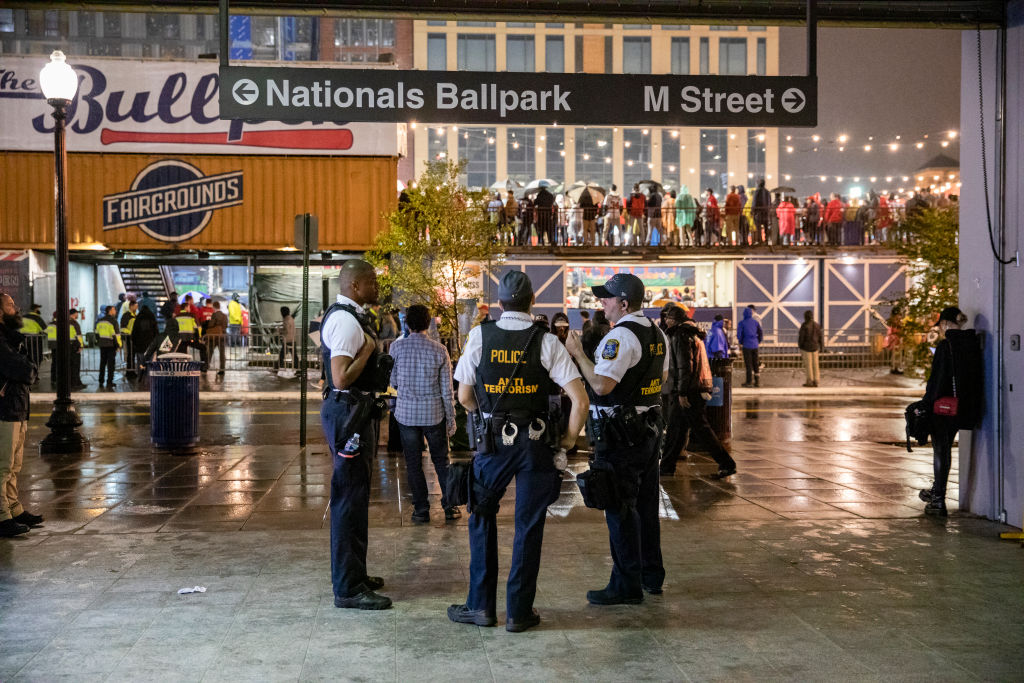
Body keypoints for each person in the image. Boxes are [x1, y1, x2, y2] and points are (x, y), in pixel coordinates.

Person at [449, 271, 588, 632]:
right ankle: (519, 613)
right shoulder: (546, 341)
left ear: (499, 303)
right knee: (529, 525)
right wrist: (570, 440)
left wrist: (487, 416)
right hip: (538, 444)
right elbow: (579, 399)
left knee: (481, 514)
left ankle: (480, 607)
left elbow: (464, 396)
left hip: (494, 443)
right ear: (532, 301)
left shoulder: (480, 335)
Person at [564, 273, 667, 604]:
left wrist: (578, 354)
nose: (601, 302)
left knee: (620, 506)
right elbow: (661, 377)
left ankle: (625, 585)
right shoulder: (656, 332)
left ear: (624, 303)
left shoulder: (620, 337)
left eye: (607, 298)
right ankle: (651, 575)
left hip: (621, 435)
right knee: (647, 504)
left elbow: (600, 386)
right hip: (648, 428)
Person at [320, 259, 392, 610]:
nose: (376, 287)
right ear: (355, 286)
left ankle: (356, 574)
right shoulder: (347, 322)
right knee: (349, 501)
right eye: (372, 282)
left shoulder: (353, 317)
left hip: (356, 416)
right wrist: (366, 352)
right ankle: (348, 588)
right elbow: (340, 378)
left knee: (357, 497)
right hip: (348, 416)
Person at [388, 304, 459, 525]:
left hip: (406, 416)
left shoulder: (396, 349)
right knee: (441, 461)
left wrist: (393, 405)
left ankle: (420, 509)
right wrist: (451, 418)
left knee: (413, 463)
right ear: (428, 323)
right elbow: (447, 390)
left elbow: (392, 383)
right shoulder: (440, 350)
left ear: (407, 324)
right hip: (434, 414)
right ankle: (449, 506)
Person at [659, 305, 737, 479]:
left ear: (675, 320)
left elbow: (685, 365)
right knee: (676, 431)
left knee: (699, 430)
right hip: (696, 388)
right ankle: (666, 467)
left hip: (689, 391)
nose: (666, 321)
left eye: (668, 318)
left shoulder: (680, 335)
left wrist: (682, 393)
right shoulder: (691, 333)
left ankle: (726, 463)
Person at [919, 306, 982, 516]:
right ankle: (936, 491)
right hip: (963, 407)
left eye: (941, 325)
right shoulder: (971, 343)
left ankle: (938, 499)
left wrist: (926, 404)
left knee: (941, 450)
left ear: (945, 324)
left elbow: (937, 381)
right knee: (945, 449)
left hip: (943, 408)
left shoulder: (946, 347)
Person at [0, 293, 42, 537]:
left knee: (14, 465)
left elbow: (29, 367)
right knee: (3, 466)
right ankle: (2, 515)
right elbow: (21, 368)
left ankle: (14, 508)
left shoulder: (11, 338)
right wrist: (28, 370)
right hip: (5, 409)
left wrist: (29, 370)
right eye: (10, 305)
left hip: (17, 407)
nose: (16, 309)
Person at [737, 305, 763, 388]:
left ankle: (749, 382)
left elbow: (739, 335)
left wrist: (741, 342)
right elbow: (760, 332)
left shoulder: (742, 323)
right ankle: (757, 381)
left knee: (748, 364)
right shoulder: (755, 322)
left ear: (744, 314)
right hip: (755, 345)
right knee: (755, 363)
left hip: (747, 345)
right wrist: (758, 340)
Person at [96, 305, 121, 388]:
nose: (115, 311)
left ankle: (101, 381)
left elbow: (96, 333)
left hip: (102, 345)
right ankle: (109, 382)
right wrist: (118, 345)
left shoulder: (100, 321)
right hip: (111, 345)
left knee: (102, 363)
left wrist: (99, 341)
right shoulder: (113, 321)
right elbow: (116, 335)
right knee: (111, 364)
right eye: (114, 310)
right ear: (110, 311)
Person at [798, 310, 824, 387]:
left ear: (805, 317)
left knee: (808, 365)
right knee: (816, 365)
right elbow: (820, 337)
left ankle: (810, 381)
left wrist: (800, 345)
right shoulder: (817, 325)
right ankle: (816, 381)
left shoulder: (804, 325)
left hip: (806, 348)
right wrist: (822, 347)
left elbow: (801, 337)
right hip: (815, 347)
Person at [131, 304, 158, 377]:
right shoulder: (152, 318)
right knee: (149, 361)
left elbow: (134, 332)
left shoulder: (138, 319)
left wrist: (134, 342)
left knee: (140, 361)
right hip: (150, 344)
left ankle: (141, 375)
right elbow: (156, 331)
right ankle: (149, 376)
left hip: (140, 345)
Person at [18, 303, 47, 368]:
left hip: (23, 339)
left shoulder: (23, 317)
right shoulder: (37, 317)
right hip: (34, 339)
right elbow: (44, 328)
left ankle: (26, 370)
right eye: (38, 308)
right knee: (36, 356)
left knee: (26, 355)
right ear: (36, 309)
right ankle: (35, 371)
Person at [205, 301, 228, 376]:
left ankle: (206, 366)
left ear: (214, 307)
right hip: (222, 336)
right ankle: (222, 369)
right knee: (222, 353)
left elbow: (211, 324)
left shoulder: (214, 315)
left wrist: (208, 323)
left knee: (210, 351)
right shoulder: (224, 316)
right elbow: (226, 325)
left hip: (214, 336)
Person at [275, 306, 297, 372]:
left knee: (282, 355)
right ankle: (297, 367)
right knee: (293, 355)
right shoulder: (291, 318)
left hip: (287, 340)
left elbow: (286, 330)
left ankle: (277, 367)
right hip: (292, 339)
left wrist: (279, 330)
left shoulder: (286, 320)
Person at [120, 300, 138, 377]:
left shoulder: (135, 315)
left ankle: (132, 371)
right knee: (130, 355)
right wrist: (131, 333)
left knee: (132, 355)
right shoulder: (126, 316)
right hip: (129, 338)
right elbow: (123, 328)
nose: (137, 308)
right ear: (131, 306)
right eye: (135, 306)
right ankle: (130, 372)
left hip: (134, 338)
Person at [752, 179, 771, 245]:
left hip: (759, 213)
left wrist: (753, 211)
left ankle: (759, 240)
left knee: (758, 227)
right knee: (766, 227)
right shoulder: (768, 192)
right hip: (766, 212)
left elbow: (754, 202)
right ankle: (766, 240)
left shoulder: (757, 191)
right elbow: (769, 202)